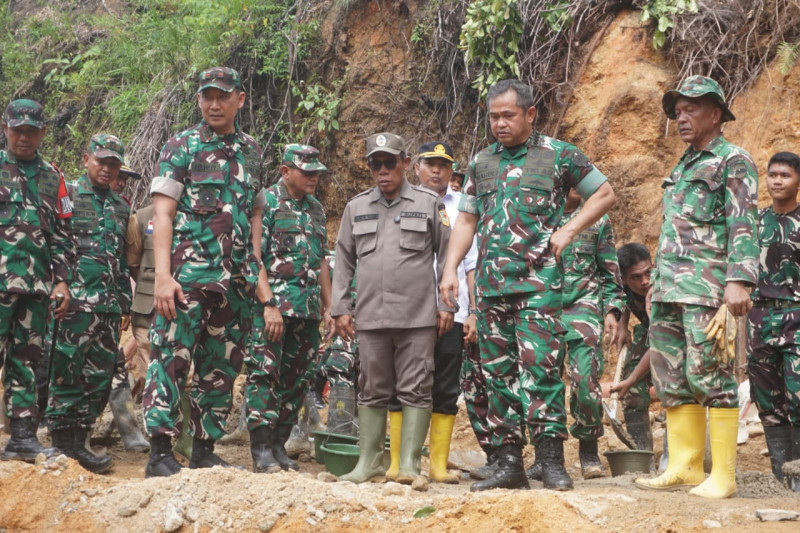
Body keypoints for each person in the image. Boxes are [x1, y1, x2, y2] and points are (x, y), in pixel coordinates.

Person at [440, 79, 616, 492]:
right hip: (491, 288)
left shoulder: (558, 155)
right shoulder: (482, 162)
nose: (499, 124)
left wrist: (570, 229)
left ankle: (552, 462)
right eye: (493, 117)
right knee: (498, 376)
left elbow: (604, 193)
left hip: (539, 286)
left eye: (508, 115)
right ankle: (508, 464)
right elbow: (466, 220)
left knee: (542, 373)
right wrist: (449, 270)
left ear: (530, 114)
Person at [636, 75, 758, 499]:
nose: (681, 117)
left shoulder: (733, 161)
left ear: (716, 114)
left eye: (690, 109)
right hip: (671, 288)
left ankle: (723, 476)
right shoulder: (684, 164)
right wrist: (656, 282)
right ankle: (686, 467)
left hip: (708, 289)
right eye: (678, 110)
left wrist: (738, 280)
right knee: (672, 376)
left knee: (711, 374)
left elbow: (743, 223)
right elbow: (674, 229)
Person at [142, 66, 264, 477]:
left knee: (221, 366)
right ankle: (160, 451)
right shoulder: (181, 145)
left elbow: (254, 213)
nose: (214, 103)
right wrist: (162, 275)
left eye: (223, 95)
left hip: (235, 284)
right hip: (186, 280)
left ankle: (204, 448)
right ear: (198, 99)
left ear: (240, 99)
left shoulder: (252, 150)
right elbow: (163, 212)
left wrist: (255, 267)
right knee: (170, 360)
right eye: (207, 96)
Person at [331, 132, 455, 484]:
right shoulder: (356, 208)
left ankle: (409, 467)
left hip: (417, 316)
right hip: (370, 317)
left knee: (416, 388)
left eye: (389, 163)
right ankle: (369, 462)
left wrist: (448, 304)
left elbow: (448, 256)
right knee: (371, 388)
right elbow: (343, 260)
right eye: (376, 164)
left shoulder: (430, 203)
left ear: (405, 162)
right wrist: (341, 307)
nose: (383, 171)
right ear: (369, 167)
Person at [385, 141, 477, 484]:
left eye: (443, 165)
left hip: (452, 310)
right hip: (408, 313)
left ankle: (437, 465)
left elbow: (471, 264)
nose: (436, 171)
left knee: (446, 386)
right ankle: (397, 463)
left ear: (452, 170)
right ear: (416, 167)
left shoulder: (463, 208)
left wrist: (474, 311)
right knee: (401, 383)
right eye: (430, 164)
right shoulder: (397, 200)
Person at [43, 134, 132, 473]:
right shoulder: (66, 197)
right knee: (66, 371)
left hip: (108, 309)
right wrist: (56, 287)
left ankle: (81, 443)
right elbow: (52, 244)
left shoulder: (122, 207)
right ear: (86, 159)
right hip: (74, 304)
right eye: (101, 161)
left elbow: (122, 259)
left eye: (113, 164)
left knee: (98, 378)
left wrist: (123, 302)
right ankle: (60, 445)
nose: (108, 169)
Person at [244, 143, 333, 473]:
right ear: (285, 171)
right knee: (264, 375)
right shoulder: (265, 202)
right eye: (306, 172)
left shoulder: (316, 209)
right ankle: (261, 449)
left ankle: (279, 444)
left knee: (298, 380)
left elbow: (322, 259)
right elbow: (254, 257)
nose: (313, 177)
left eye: (316, 172)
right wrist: (268, 304)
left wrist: (329, 306)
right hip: (274, 308)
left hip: (307, 311)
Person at [0, 99, 74, 462]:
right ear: (6, 129)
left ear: (43, 132)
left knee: (26, 360)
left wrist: (62, 282)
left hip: (36, 288)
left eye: (31, 131)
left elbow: (62, 233)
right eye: (18, 130)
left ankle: (22, 437)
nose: (24, 137)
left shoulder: (53, 176)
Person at [545, 187, 624, 480]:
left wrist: (612, 310)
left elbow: (609, 271)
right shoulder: (538, 215)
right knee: (542, 385)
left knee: (585, 382)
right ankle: (546, 455)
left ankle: (588, 451)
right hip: (542, 309)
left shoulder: (597, 220)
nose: (578, 185)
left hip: (584, 309)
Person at [747, 151, 800, 490]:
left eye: (786, 175)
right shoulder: (754, 222)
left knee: (798, 395)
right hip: (760, 317)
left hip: (797, 314)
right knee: (767, 397)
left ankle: (798, 476)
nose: (777, 180)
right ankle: (781, 477)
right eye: (772, 174)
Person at [612, 243, 655, 452]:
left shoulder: (661, 289)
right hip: (649, 333)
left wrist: (631, 380)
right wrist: (622, 326)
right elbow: (624, 300)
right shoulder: (622, 288)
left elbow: (659, 345)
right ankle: (641, 453)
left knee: (677, 389)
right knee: (633, 393)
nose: (645, 281)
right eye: (636, 278)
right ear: (624, 280)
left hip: (675, 340)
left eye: (648, 273)